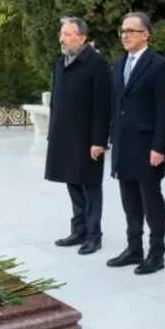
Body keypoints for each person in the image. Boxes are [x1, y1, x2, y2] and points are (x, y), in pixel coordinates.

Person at [107, 12, 165, 275]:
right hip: (124, 144)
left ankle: (156, 252)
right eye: (122, 31)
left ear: (145, 35)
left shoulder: (158, 65)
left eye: (130, 31)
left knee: (150, 200)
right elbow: (116, 105)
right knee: (130, 201)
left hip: (147, 146)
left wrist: (160, 146)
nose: (125, 36)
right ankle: (133, 247)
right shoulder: (118, 64)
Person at [46, 17, 113, 255]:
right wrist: (52, 132)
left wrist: (99, 140)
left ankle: (94, 235)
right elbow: (55, 101)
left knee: (90, 186)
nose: (62, 39)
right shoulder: (60, 64)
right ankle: (79, 230)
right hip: (64, 135)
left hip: (87, 139)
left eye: (67, 34)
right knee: (72, 183)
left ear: (82, 38)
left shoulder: (97, 64)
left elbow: (103, 105)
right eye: (61, 34)